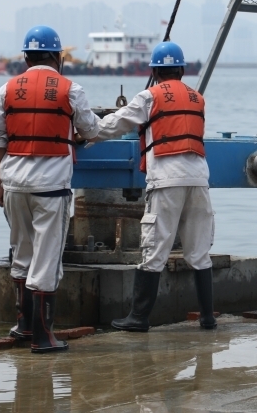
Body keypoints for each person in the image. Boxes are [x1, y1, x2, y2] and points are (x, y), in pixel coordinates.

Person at [0, 25, 100, 353]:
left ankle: (23, 326)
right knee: (46, 260)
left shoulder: (6, 89)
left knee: (21, 254)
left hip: (13, 186)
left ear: (26, 57)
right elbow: (90, 129)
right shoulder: (70, 88)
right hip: (51, 188)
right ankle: (43, 336)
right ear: (57, 57)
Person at [96, 41, 218, 330]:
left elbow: (118, 123)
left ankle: (138, 317)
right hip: (199, 179)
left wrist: (86, 132)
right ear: (181, 69)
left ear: (154, 71)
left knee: (155, 248)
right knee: (199, 251)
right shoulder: (197, 97)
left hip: (166, 179)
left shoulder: (149, 97)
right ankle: (208, 317)